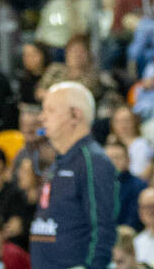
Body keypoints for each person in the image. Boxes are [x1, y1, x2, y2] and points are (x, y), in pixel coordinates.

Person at [30, 83, 116, 269]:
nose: (41, 117)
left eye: (50, 110)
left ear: (75, 115)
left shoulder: (93, 161)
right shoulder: (59, 162)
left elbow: (103, 228)